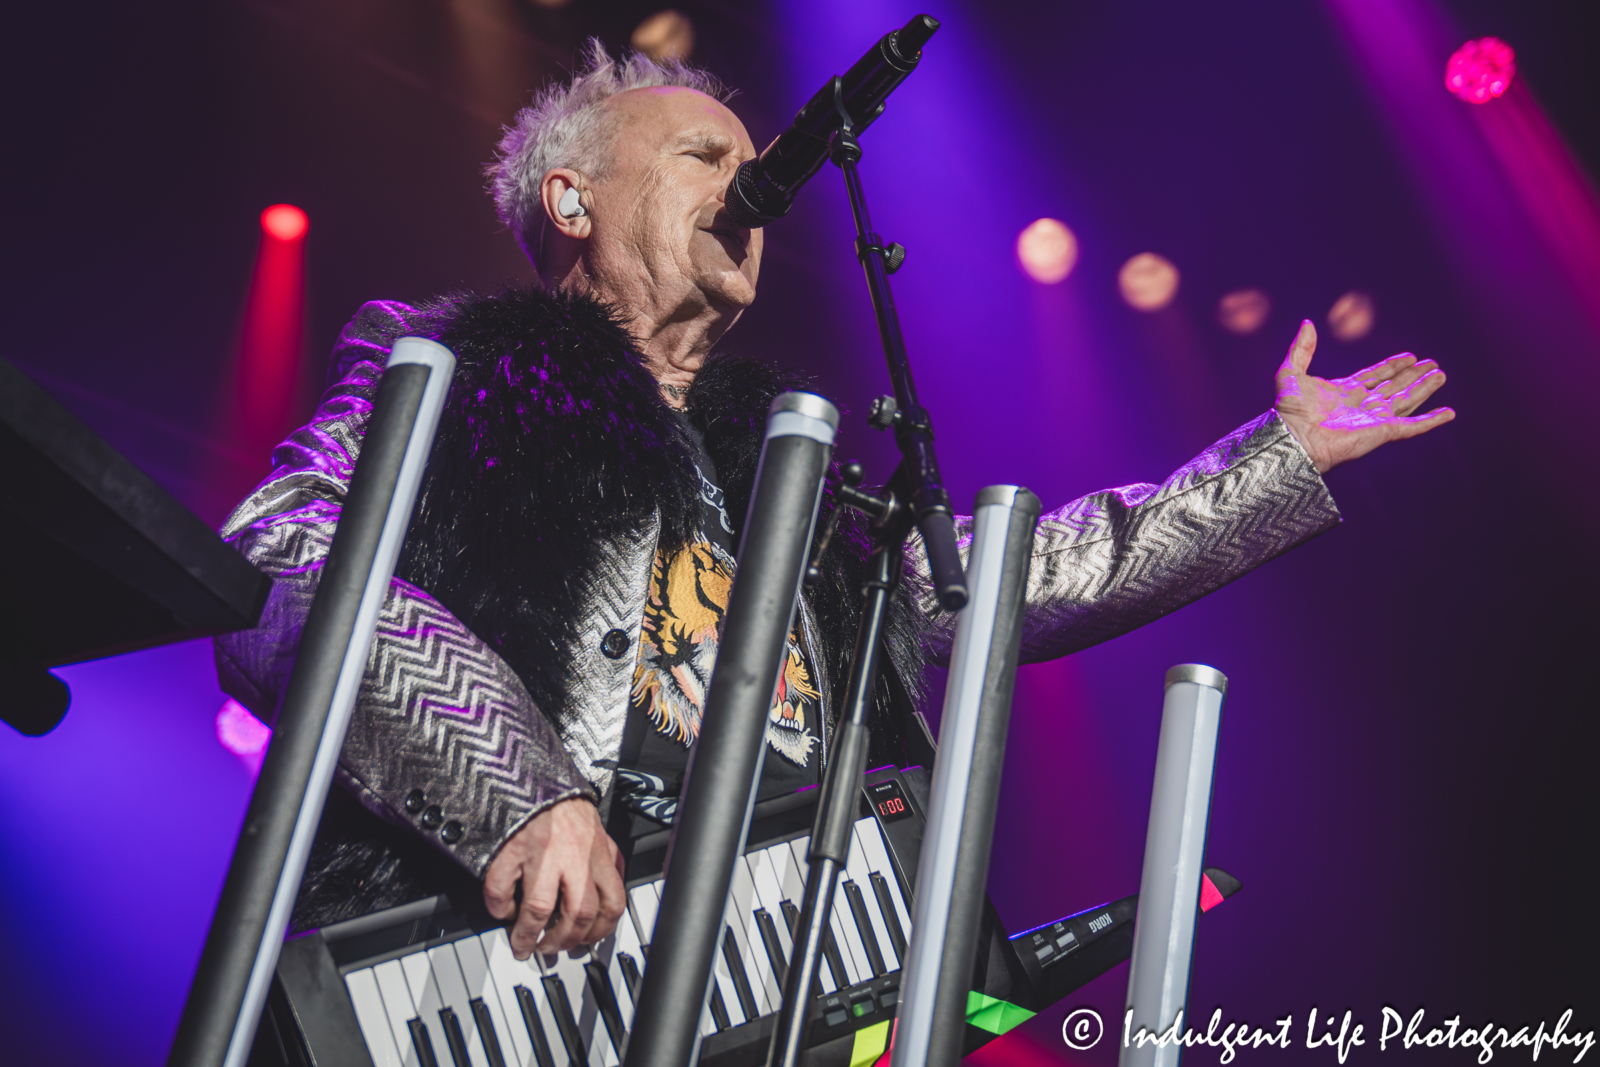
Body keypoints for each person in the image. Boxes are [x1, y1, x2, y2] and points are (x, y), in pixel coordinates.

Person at [216, 43, 1452, 965]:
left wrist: (1272, 459)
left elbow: (1002, 581)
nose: (752, 187)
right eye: (704, 157)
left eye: (756, 170)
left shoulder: (793, 478)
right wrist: (516, 789)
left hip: (766, 958)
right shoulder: (439, 367)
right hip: (502, 945)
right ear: (572, 200)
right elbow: (281, 559)